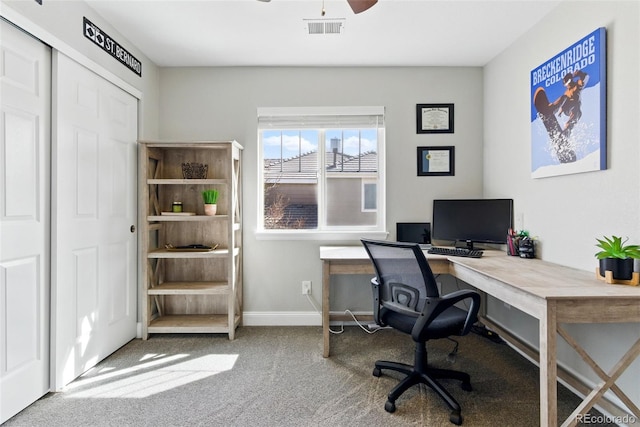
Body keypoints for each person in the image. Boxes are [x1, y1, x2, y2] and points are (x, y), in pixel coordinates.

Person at [551, 69, 589, 137]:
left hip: (575, 110)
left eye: (568, 82)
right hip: (567, 109)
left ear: (571, 80)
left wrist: (579, 73)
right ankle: (553, 108)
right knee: (564, 97)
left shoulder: (576, 86)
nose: (567, 85)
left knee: (569, 122)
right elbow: (563, 101)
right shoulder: (566, 92)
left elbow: (585, 77)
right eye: (565, 84)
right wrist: (561, 110)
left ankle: (566, 133)